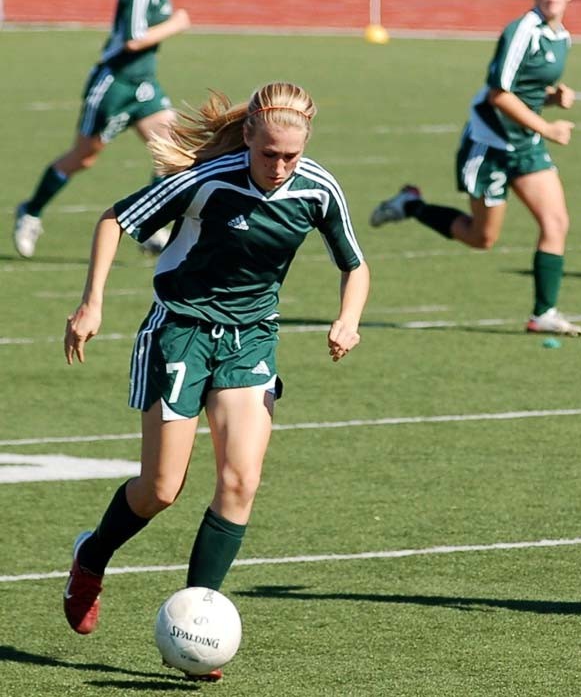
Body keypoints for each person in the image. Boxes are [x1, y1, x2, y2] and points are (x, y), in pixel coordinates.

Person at [61, 82, 370, 681]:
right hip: (179, 332)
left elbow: (354, 265)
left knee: (239, 482)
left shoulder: (318, 189)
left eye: (292, 156)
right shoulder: (208, 179)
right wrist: (91, 303)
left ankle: (195, 625)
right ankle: (91, 555)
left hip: (251, 340)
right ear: (249, 135)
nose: (280, 167)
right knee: (160, 489)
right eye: (269, 153)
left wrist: (347, 319)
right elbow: (114, 220)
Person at [369, 0, 581, 336]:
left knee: (556, 222)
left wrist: (552, 98)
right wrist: (548, 128)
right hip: (489, 144)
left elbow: (525, 90)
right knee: (481, 238)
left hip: (526, 143)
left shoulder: (561, 36)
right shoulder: (522, 31)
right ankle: (411, 205)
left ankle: (543, 313)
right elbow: (498, 94)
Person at [13, 0, 191, 258]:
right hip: (114, 86)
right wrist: (176, 24)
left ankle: (148, 224)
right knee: (85, 157)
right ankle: (31, 212)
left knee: (173, 149)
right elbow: (134, 39)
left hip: (144, 87)